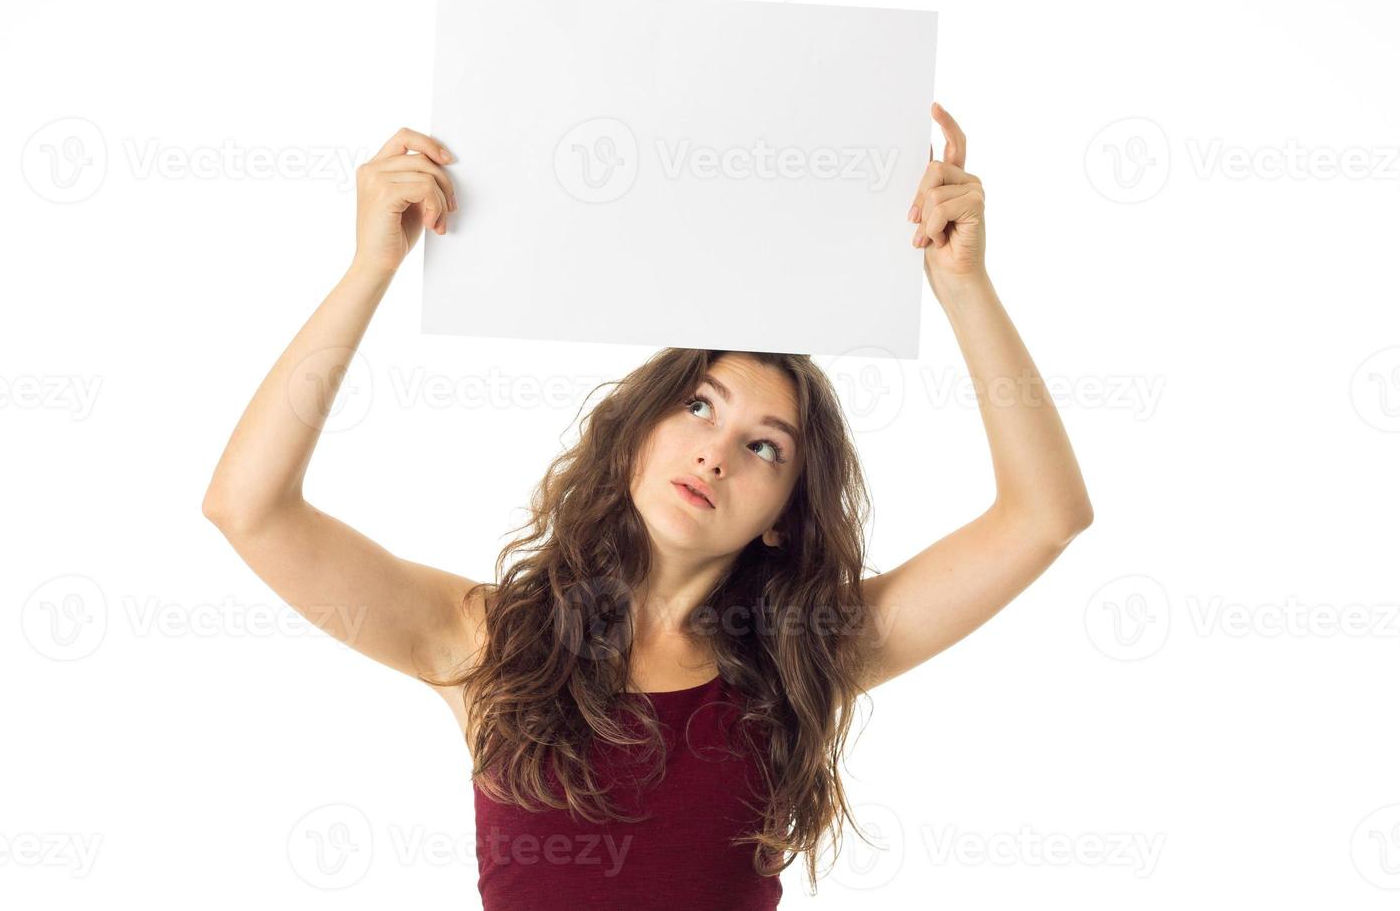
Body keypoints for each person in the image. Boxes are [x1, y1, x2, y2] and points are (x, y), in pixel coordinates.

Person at [201, 104, 1093, 907]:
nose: (716, 448)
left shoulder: (806, 658)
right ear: (638, 432)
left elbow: (1042, 517)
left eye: (764, 446)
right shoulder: (484, 641)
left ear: (783, 512)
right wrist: (372, 266)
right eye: (699, 405)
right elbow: (250, 509)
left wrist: (966, 290)